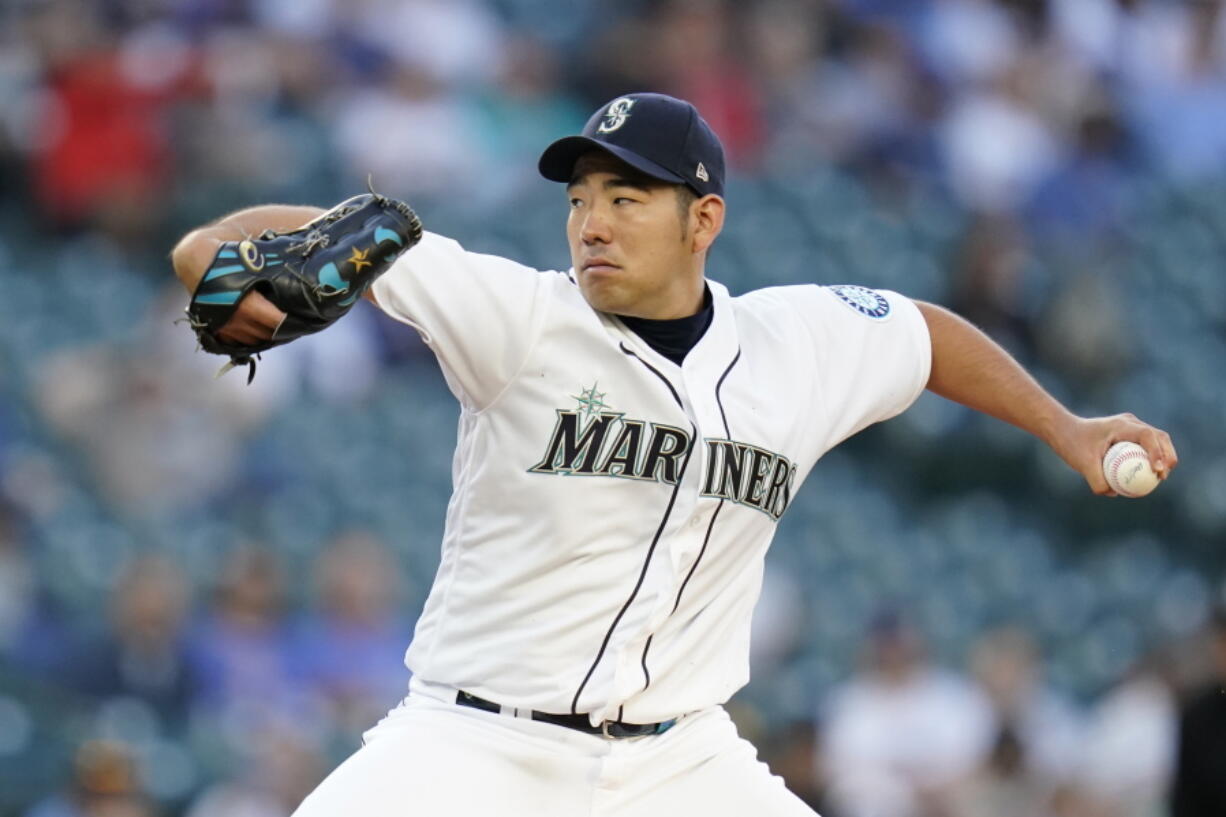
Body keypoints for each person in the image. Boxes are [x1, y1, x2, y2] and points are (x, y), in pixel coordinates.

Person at [170, 92, 1177, 816]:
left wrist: (1069, 428)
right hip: (474, 744)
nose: (590, 222)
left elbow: (921, 335)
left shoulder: (794, 342)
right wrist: (215, 255)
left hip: (677, 762)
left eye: (625, 198)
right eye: (578, 198)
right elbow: (284, 235)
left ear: (704, 220)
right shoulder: (517, 316)